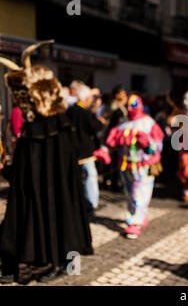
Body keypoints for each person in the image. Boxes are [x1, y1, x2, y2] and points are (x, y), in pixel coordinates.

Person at [0, 40, 93, 284]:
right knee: (21, 216)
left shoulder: (59, 126)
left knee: (56, 214)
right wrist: (12, 169)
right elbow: (26, 160)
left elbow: (59, 168)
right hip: (29, 187)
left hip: (53, 189)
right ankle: (15, 261)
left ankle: (60, 260)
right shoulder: (34, 127)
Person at [96, 94, 164, 239]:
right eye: (128, 105)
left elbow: (158, 146)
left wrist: (149, 144)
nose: (129, 108)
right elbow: (111, 142)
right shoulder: (122, 123)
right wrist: (104, 150)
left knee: (138, 194)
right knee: (129, 194)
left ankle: (135, 222)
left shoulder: (148, 123)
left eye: (132, 105)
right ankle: (139, 215)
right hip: (125, 166)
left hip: (143, 166)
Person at [66, 84, 105, 212]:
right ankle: (91, 202)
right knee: (90, 175)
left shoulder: (70, 110)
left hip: (72, 148)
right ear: (85, 98)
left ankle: (75, 200)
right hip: (85, 149)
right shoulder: (85, 112)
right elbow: (93, 128)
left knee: (76, 176)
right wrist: (100, 122)